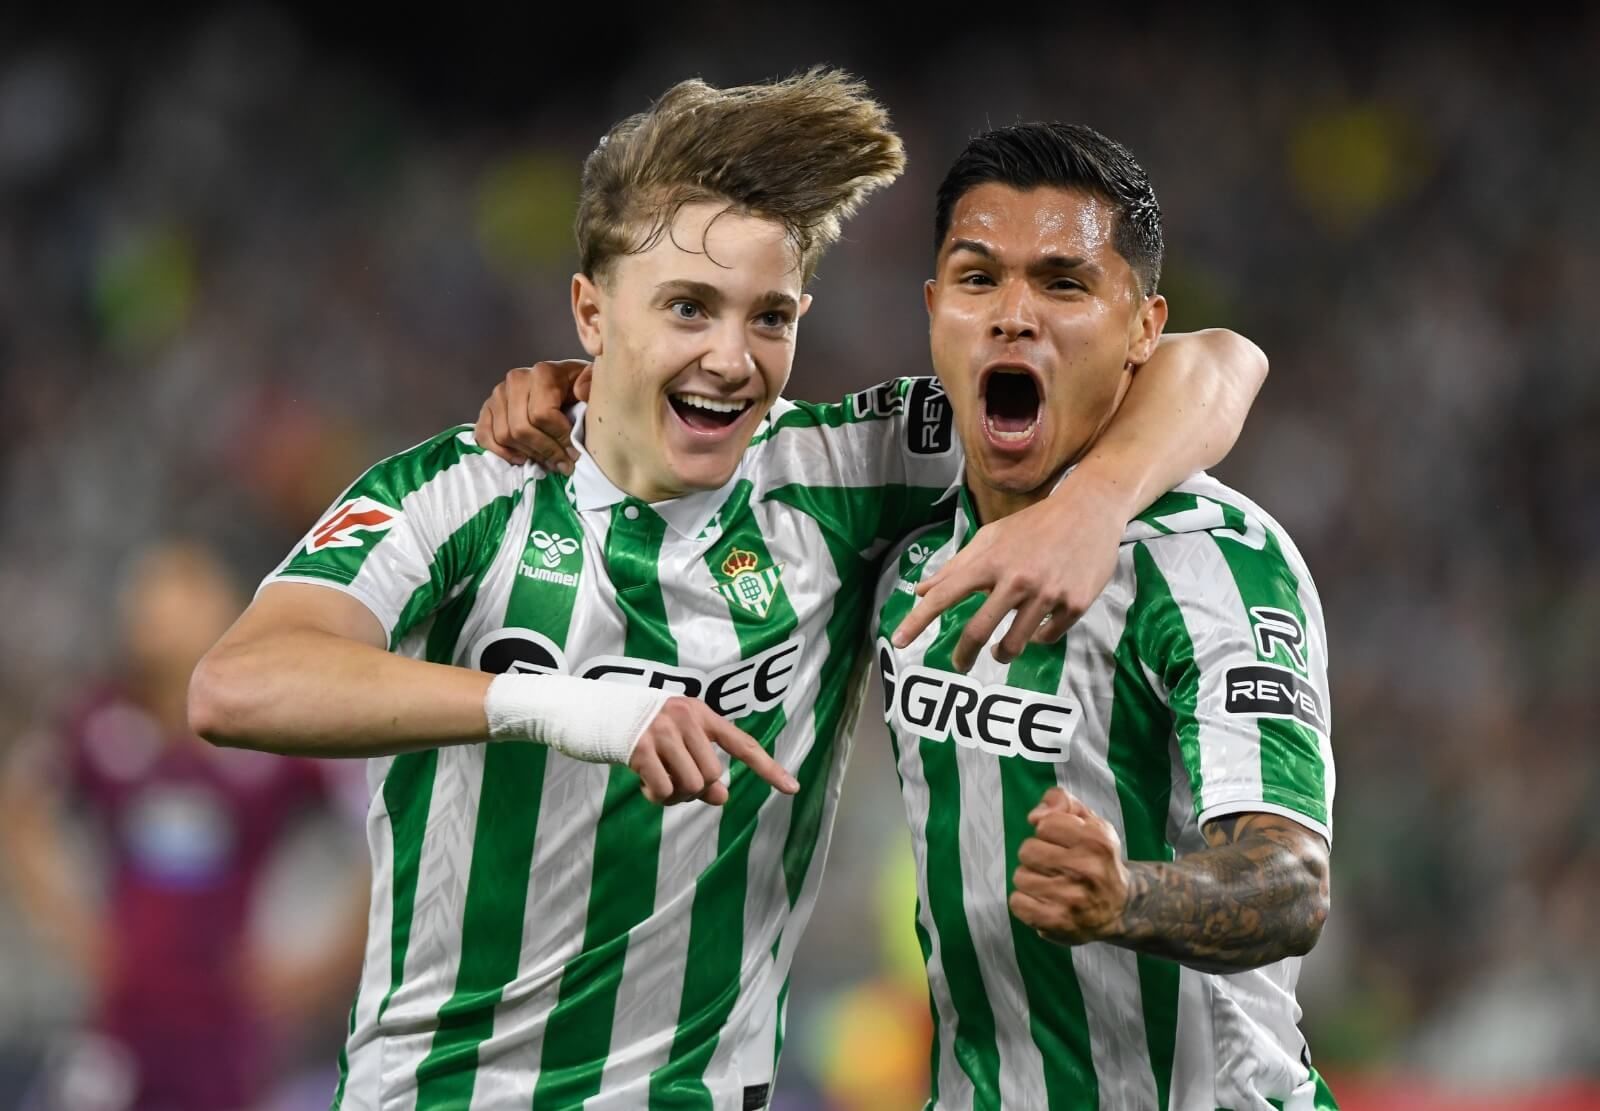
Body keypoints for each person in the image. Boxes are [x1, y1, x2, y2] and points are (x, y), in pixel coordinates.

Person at [191, 71, 1265, 1108]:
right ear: (589, 313)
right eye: (688, 309)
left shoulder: (840, 473)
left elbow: (1211, 359)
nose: (731, 358)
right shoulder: (465, 490)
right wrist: (566, 706)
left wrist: (1096, 504)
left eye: (770, 317)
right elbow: (237, 687)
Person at [481, 124, 1334, 1109]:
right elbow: (698, 420)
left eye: (1063, 284)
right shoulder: (893, 500)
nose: (1014, 316)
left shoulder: (1212, 563)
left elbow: (1289, 883)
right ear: (934, 309)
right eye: (979, 281)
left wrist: (1129, 897)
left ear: (1142, 329)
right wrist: (574, 390)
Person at [0, 542, 368, 1111]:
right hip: (124, 1012)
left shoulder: (273, 732)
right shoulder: (100, 723)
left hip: (228, 1024)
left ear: (224, 610)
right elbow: (22, 808)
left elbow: (380, 829)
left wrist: (318, 971)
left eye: (178, 591)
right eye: (147, 594)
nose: (152, 608)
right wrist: (73, 931)